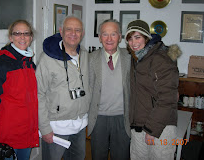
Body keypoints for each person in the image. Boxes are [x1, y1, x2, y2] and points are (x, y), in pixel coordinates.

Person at [0, 20, 39, 160]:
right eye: (17, 33)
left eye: (26, 33)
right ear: (10, 37)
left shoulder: (30, 64)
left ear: (31, 37)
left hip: (26, 134)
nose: (22, 37)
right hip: (7, 137)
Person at [125, 19, 182, 160]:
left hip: (160, 128)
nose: (133, 42)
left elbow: (168, 98)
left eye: (137, 37)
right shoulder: (136, 58)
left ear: (146, 37)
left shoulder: (161, 58)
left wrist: (151, 129)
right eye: (130, 38)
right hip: (138, 126)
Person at [36, 15, 90, 160]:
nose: (73, 33)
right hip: (56, 127)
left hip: (79, 125)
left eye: (78, 30)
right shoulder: (47, 58)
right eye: (69, 29)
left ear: (83, 33)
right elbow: (39, 94)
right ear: (61, 31)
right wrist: (45, 128)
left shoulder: (84, 54)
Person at [88, 19, 131, 160]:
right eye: (105, 34)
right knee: (98, 156)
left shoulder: (131, 58)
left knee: (121, 157)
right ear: (100, 38)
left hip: (123, 118)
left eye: (113, 34)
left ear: (120, 37)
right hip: (98, 118)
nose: (109, 39)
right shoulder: (90, 59)